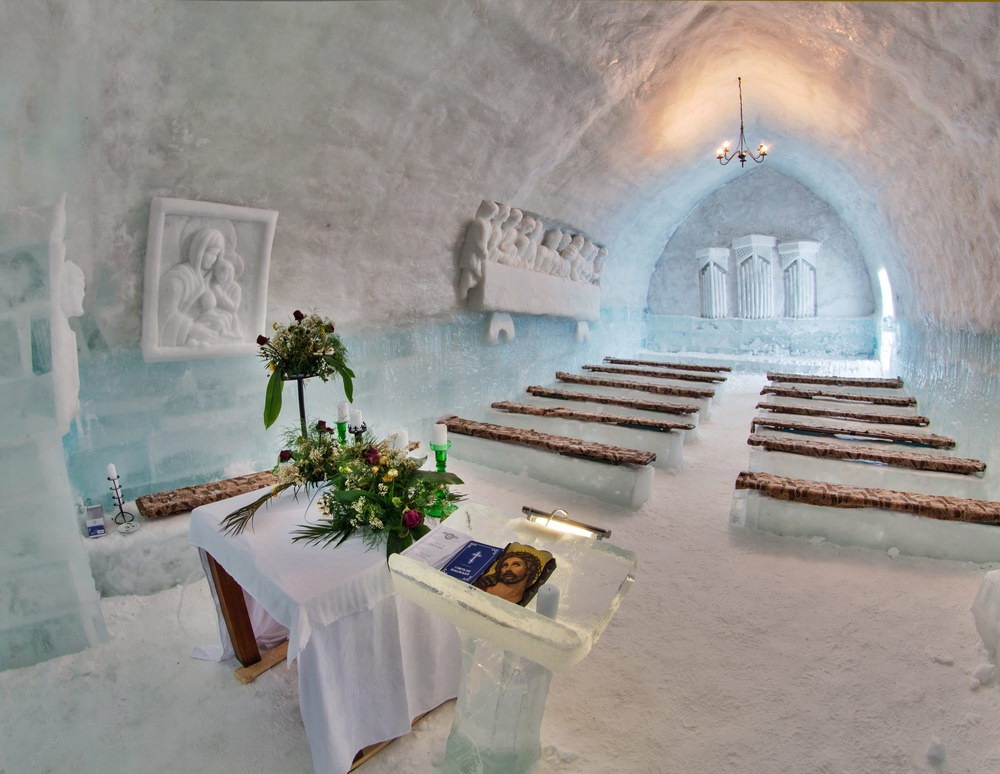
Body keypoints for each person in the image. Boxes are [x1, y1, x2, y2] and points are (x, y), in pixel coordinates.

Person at [158, 227, 227, 347]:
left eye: (216, 255)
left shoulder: (206, 281)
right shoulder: (178, 278)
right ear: (199, 250)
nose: (213, 259)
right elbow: (164, 314)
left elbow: (201, 311)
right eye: (210, 252)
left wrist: (215, 320)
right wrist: (192, 329)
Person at [473, 544, 551, 605]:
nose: (508, 569)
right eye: (505, 565)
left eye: (516, 564)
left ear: (529, 570)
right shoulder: (483, 586)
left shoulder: (519, 598)